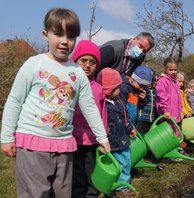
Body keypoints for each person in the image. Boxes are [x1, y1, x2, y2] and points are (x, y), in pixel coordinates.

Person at [0, 8, 110, 198]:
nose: (65, 41)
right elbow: (15, 100)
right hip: (33, 142)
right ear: (46, 34)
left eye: (71, 36)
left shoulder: (77, 73)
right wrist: (6, 136)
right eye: (58, 34)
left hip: (64, 145)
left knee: (62, 193)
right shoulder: (34, 64)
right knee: (36, 194)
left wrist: (102, 137)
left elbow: (89, 106)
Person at [71, 40, 107, 198]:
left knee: (91, 173)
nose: (87, 65)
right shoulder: (69, 85)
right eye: (83, 61)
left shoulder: (98, 89)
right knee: (76, 176)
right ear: (75, 61)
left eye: (92, 62)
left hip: (92, 140)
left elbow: (103, 114)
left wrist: (103, 137)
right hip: (74, 140)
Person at [97, 68, 138, 197]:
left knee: (125, 163)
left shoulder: (119, 102)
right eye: (116, 88)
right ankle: (109, 188)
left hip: (122, 139)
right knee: (111, 167)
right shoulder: (102, 105)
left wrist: (130, 127)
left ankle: (122, 186)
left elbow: (126, 116)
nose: (120, 90)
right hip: (110, 142)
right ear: (108, 90)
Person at [156, 57, 187, 151]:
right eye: (171, 70)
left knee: (176, 132)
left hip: (176, 113)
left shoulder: (175, 82)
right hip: (167, 114)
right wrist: (165, 110)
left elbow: (179, 98)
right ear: (165, 68)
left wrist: (181, 110)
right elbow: (162, 97)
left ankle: (176, 150)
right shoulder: (162, 81)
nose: (173, 72)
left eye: (175, 70)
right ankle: (169, 152)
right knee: (168, 133)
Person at [137, 69, 157, 135]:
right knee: (141, 134)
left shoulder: (155, 91)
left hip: (151, 119)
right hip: (142, 118)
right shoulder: (143, 90)